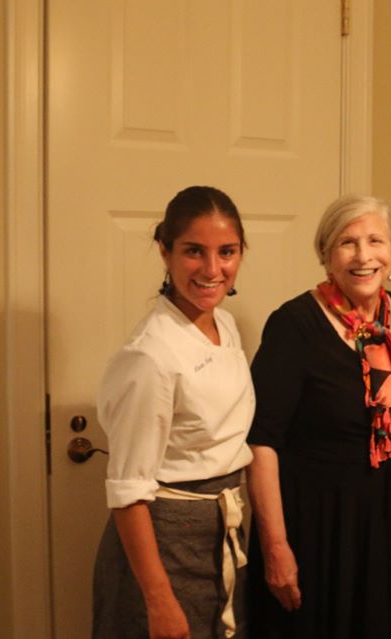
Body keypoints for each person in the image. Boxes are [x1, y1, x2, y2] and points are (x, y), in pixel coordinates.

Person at [245, 194, 391, 638]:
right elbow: (261, 441)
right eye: (348, 243)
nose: (364, 256)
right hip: (321, 534)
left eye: (375, 241)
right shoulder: (294, 325)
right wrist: (275, 546)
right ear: (327, 256)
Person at [93, 186, 254, 639]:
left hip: (222, 530)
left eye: (227, 252)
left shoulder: (224, 323)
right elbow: (128, 492)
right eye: (193, 252)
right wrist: (159, 602)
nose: (212, 269)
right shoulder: (150, 356)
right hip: (164, 545)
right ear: (164, 252)